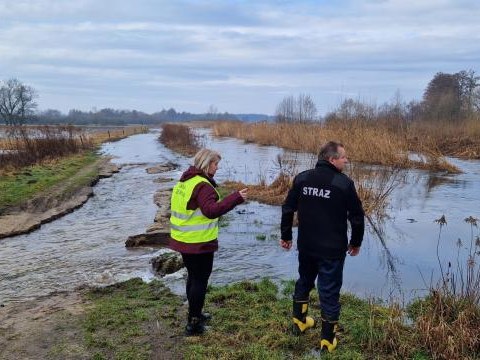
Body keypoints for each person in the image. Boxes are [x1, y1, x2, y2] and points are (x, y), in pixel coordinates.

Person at [280, 141, 365, 353]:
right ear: (331, 159)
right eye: (343, 157)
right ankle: (327, 341)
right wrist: (355, 242)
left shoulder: (303, 178)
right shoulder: (343, 183)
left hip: (306, 246)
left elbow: (288, 208)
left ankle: (300, 321)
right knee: (328, 292)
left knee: (305, 280)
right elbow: (357, 217)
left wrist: (286, 235)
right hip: (332, 250)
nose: (346, 160)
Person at [170, 148, 248, 336]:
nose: (217, 167)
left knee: (193, 277)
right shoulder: (203, 185)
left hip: (183, 239)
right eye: (215, 164)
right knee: (200, 281)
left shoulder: (185, 180)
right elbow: (211, 210)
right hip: (199, 243)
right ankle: (194, 323)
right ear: (206, 164)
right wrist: (236, 198)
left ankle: (194, 314)